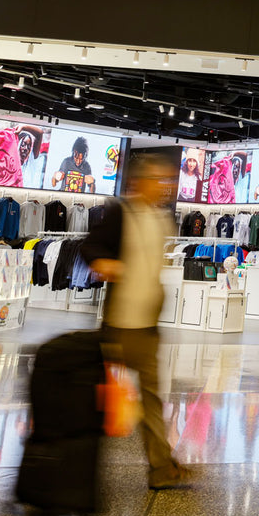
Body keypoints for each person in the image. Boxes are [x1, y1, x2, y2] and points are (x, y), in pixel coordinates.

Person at [81, 150, 192, 490]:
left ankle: (161, 467)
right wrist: (104, 263)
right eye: (158, 180)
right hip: (118, 325)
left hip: (146, 327)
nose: (164, 187)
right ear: (138, 182)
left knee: (151, 397)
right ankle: (75, 467)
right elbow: (90, 246)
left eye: (168, 181)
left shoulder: (162, 220)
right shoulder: (119, 212)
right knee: (101, 400)